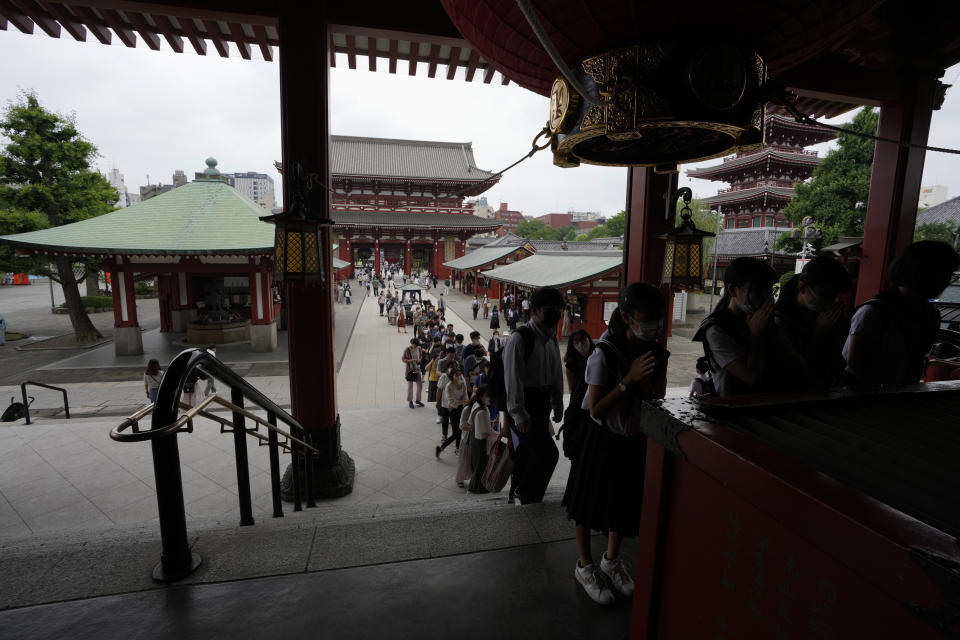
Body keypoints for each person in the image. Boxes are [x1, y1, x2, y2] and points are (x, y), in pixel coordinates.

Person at [563, 282, 669, 605]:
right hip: (601, 438)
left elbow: (658, 395)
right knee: (586, 503)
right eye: (644, 317)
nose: (652, 325)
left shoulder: (656, 352)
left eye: (657, 318)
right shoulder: (603, 353)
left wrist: (649, 379)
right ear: (626, 316)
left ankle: (611, 560)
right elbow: (595, 408)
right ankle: (585, 565)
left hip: (633, 438)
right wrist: (628, 380)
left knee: (621, 502)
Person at [844, 240, 959, 386]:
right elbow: (856, 368)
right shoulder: (875, 312)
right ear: (922, 272)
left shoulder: (930, 313)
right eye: (944, 274)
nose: (947, 282)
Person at [503, 286, 565, 505]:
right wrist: (518, 414)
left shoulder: (551, 338)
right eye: (550, 309)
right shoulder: (520, 339)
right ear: (535, 310)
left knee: (530, 452)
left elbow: (556, 373)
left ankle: (518, 490)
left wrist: (558, 403)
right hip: (524, 404)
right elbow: (512, 379)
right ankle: (529, 496)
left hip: (543, 402)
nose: (556, 314)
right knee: (547, 454)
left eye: (558, 310)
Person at [692, 257, 779, 396]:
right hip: (733, 407)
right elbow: (751, 378)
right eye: (757, 290)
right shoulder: (716, 329)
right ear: (733, 290)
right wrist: (756, 337)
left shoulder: (766, 318)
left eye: (768, 290)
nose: (766, 297)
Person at [774, 256, 853, 389]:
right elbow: (790, 370)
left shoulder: (828, 316)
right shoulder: (780, 319)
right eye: (824, 294)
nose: (830, 301)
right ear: (802, 287)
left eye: (834, 296)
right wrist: (818, 334)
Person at [437, 367, 469, 457]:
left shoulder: (462, 384)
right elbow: (451, 402)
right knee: (456, 433)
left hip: (462, 409)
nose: (459, 376)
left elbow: (466, 398)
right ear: (452, 376)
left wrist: (461, 402)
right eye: (457, 375)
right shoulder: (449, 386)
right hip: (453, 411)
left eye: (460, 374)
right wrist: (462, 402)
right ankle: (444, 448)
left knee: (459, 431)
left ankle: (455, 448)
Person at [403, 338, 424, 409]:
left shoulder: (419, 348)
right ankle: (410, 401)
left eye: (416, 345)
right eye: (414, 345)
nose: (415, 346)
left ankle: (418, 400)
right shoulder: (407, 350)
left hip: (417, 369)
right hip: (410, 370)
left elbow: (421, 356)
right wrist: (411, 360)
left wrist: (419, 360)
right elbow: (403, 359)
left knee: (420, 385)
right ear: (411, 343)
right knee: (410, 386)